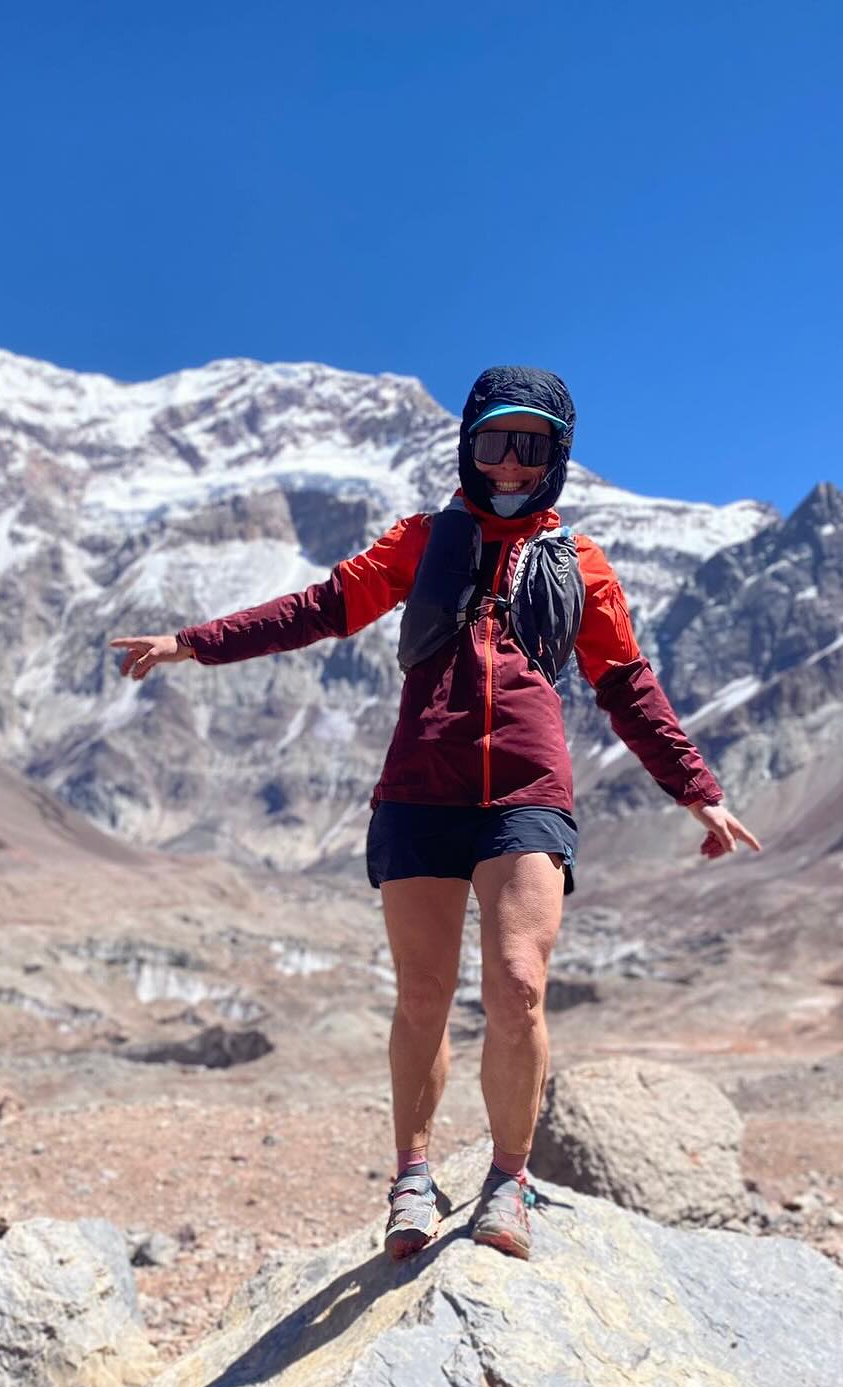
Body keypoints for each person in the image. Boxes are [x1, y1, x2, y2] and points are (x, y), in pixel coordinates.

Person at [111, 366, 760, 1264]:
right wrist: (192, 643)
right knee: (421, 995)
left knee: (519, 986)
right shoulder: (421, 541)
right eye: (495, 439)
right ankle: (412, 1177)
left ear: (556, 455)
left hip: (526, 798)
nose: (509, 460)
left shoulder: (584, 568)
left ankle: (509, 1179)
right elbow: (319, 610)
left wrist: (698, 791)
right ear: (468, 443)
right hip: (419, 790)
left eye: (530, 445)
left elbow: (629, 688)